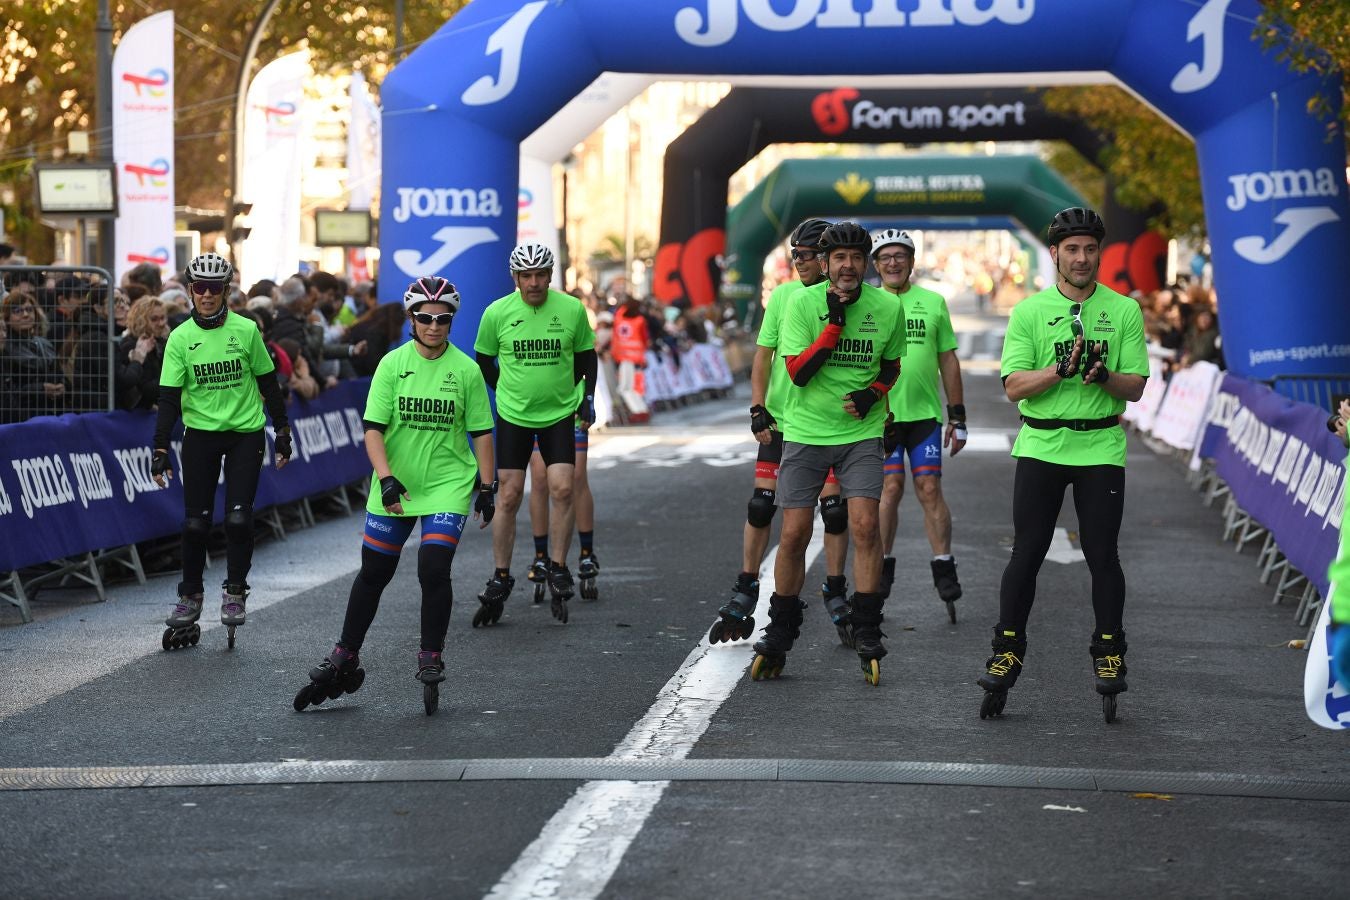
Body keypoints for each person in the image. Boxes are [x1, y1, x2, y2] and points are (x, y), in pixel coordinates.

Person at [293, 276, 496, 715]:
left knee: (433, 564)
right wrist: (384, 478)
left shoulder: (466, 371)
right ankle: (345, 653)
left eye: (443, 319)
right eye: (425, 318)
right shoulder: (391, 364)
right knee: (375, 571)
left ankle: (430, 654)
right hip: (396, 484)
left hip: (447, 484)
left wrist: (486, 485)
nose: (434, 326)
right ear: (411, 319)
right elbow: (373, 430)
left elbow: (481, 432)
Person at [977, 207, 1149, 723]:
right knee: (1026, 552)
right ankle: (1006, 651)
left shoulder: (1124, 311)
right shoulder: (1030, 312)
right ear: (1054, 254)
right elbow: (1012, 387)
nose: (1081, 258)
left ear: (1099, 254)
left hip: (1099, 447)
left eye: (1089, 249)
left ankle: (1110, 648)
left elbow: (1136, 387)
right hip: (1042, 445)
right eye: (1071, 249)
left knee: (1103, 554)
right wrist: (1058, 371)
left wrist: (1102, 377)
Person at [759, 221, 906, 685]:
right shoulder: (800, 303)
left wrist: (875, 392)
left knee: (864, 524)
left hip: (860, 432)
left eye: (856, 258)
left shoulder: (887, 306)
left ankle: (866, 627)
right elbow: (798, 373)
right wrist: (834, 325)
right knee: (796, 531)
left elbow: (893, 363)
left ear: (866, 265)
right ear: (824, 264)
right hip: (805, 431)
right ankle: (780, 630)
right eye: (839, 258)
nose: (848, 266)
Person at [708, 218, 852, 647]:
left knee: (835, 513)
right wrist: (757, 408)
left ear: (825, 259)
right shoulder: (785, 296)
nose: (799, 263)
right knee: (760, 505)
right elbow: (763, 357)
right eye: (795, 256)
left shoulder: (845, 298)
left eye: (806, 256)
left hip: (824, 426)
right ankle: (746, 585)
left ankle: (835, 588)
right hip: (783, 423)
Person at [151, 253, 293, 651]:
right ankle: (190, 594)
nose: (208, 295)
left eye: (215, 288)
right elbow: (168, 399)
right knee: (195, 523)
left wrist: (282, 431)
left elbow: (269, 384)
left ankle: (234, 589)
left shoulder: (246, 330)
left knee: (236, 518)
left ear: (226, 290)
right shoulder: (180, 338)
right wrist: (159, 447)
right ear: (191, 290)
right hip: (200, 435)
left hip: (246, 433)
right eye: (200, 287)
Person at [474, 243, 597, 625]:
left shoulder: (571, 309)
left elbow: (586, 357)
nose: (533, 282)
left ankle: (558, 564)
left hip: (559, 413)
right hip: (514, 416)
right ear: (515, 278)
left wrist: (586, 398)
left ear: (550, 275)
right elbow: (483, 360)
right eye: (525, 276)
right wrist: (506, 391)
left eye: (540, 274)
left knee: (562, 486)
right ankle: (501, 574)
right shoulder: (497, 313)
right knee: (508, 495)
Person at [870, 228, 967, 623]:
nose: (893, 263)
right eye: (885, 257)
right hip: (881, 418)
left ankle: (943, 565)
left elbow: (948, 360)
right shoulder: (867, 304)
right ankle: (881, 569)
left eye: (900, 256)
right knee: (890, 490)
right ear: (875, 265)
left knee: (929, 489)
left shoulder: (933, 302)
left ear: (912, 261)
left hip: (925, 416)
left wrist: (957, 415)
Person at [0, 292, 65, 423]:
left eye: (29, 310)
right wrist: (41, 389)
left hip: (52, 413)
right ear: (7, 318)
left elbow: (60, 373)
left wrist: (63, 386)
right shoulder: (4, 347)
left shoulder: (45, 343)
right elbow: (8, 391)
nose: (25, 315)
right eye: (17, 311)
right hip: (21, 416)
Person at [115, 296, 169, 411]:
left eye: (163, 318)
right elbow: (144, 388)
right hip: (140, 415)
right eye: (154, 319)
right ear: (141, 321)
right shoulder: (130, 346)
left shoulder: (163, 342)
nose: (161, 323)